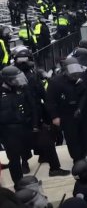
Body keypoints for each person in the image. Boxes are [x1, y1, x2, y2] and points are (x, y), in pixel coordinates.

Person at [12, 47, 70, 177]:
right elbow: (43, 95)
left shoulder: (15, 76)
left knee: (26, 140)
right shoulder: (30, 77)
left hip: (26, 114)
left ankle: (36, 159)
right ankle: (53, 167)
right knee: (47, 140)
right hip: (31, 113)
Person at [46, 57, 87, 163]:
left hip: (81, 111)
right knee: (72, 137)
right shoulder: (55, 82)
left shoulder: (82, 76)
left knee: (85, 134)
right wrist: (54, 116)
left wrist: (80, 108)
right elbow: (50, 101)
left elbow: (85, 94)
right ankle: (77, 158)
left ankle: (83, 154)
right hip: (66, 113)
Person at [0, 66, 33, 186]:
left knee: (24, 153)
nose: (18, 82)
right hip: (8, 132)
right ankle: (18, 184)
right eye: (15, 80)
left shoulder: (18, 90)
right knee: (14, 159)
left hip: (22, 128)